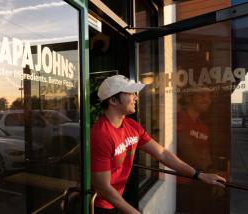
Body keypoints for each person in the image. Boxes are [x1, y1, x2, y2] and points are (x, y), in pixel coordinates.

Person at [90, 75, 226, 214]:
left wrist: (199, 175)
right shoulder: (101, 134)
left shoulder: (132, 126)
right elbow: (103, 187)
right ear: (113, 100)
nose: (136, 97)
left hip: (117, 199)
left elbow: (162, 153)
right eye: (130, 93)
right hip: (100, 204)